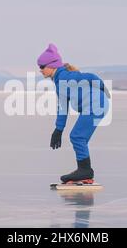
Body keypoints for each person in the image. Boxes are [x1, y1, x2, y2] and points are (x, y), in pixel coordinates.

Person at [37, 43, 110, 183]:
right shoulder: (61, 81)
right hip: (97, 105)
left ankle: (85, 171)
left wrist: (101, 86)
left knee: (77, 137)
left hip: (95, 105)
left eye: (42, 66)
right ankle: (84, 170)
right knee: (81, 138)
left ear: (52, 65)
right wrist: (58, 129)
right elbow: (63, 108)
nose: (40, 70)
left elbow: (89, 76)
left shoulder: (64, 77)